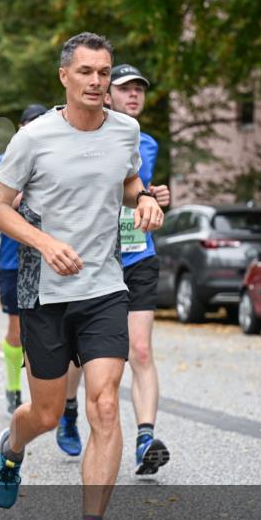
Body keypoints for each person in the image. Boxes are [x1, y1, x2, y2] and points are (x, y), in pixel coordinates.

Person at [0, 33, 168, 520]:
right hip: (43, 291)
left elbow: (131, 178)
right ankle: (12, 446)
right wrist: (43, 243)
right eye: (85, 71)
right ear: (64, 76)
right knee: (43, 412)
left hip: (105, 287)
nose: (96, 82)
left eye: (104, 72)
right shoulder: (33, 139)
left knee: (106, 404)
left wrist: (143, 204)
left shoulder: (126, 130)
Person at [54, 64, 171, 472]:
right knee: (79, 357)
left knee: (139, 349)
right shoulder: (79, 137)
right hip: (92, 257)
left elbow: (137, 190)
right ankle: (67, 411)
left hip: (137, 255)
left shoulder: (147, 143)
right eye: (125, 89)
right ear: (106, 95)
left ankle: (145, 438)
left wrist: (155, 199)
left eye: (139, 89)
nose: (134, 95)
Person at [0, 104, 48, 415]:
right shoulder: (2, 162)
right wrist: (19, 199)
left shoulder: (54, 157)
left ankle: (43, 392)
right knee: (17, 329)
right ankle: (13, 386)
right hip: (13, 260)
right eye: (30, 125)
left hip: (48, 257)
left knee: (44, 331)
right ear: (20, 128)